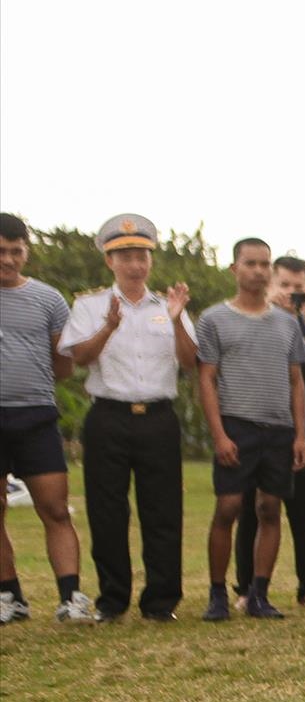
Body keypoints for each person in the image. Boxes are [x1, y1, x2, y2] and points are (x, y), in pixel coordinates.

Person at [59, 214, 196, 621]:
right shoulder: (89, 305)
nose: (136, 264)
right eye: (126, 256)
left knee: (163, 510)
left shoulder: (168, 305)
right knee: (107, 511)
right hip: (109, 417)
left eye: (142, 255)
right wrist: (108, 327)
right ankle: (112, 600)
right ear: (110, 262)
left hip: (158, 417)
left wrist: (176, 321)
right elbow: (79, 358)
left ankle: (160, 602)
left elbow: (190, 361)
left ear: (150, 261)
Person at [195, 239, 305, 621]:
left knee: (270, 508)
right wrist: (219, 435)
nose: (258, 271)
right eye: (250, 263)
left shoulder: (287, 323)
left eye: (264, 264)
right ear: (235, 268)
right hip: (236, 425)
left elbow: (296, 381)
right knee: (228, 507)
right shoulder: (213, 319)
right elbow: (206, 379)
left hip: (277, 428)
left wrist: (300, 435)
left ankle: (259, 593)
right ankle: (217, 595)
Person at [0, 212, 96, 624]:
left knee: (55, 508)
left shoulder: (49, 299)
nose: (8, 260)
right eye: (1, 252)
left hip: (36, 415)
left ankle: (71, 597)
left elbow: (64, 365)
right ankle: (10, 598)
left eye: (16, 251)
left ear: (27, 251)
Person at [236, 256, 305, 608]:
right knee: (255, 510)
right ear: (271, 285)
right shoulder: (258, 319)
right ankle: (247, 589)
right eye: (286, 286)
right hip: (261, 426)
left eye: (300, 287)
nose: (293, 293)